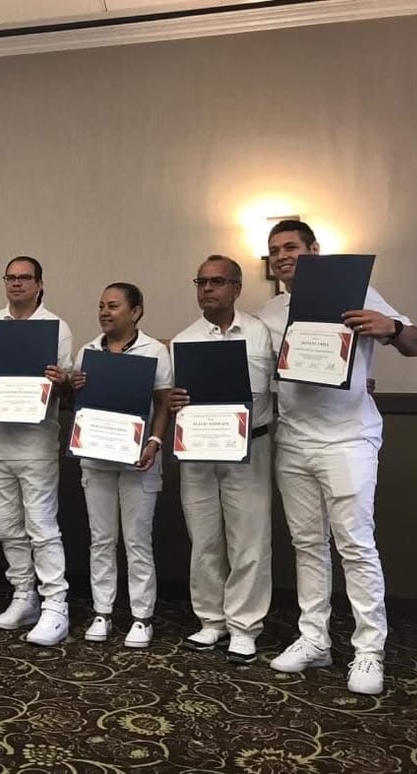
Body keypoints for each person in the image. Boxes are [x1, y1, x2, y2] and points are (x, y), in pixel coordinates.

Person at [257, 219, 417, 695]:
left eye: (291, 246)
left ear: (314, 250)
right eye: (274, 249)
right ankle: (315, 639)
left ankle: (369, 651)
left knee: (355, 544)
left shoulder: (360, 292)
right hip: (293, 440)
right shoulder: (269, 312)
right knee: (307, 544)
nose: (282, 255)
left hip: (348, 439)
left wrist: (392, 328)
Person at [169, 256, 274, 662]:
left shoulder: (261, 334)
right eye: (201, 282)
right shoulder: (184, 340)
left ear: (236, 288)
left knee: (249, 540)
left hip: (249, 448)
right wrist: (174, 400)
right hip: (198, 450)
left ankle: (244, 626)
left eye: (217, 282)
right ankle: (211, 621)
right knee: (205, 538)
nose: (208, 289)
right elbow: (173, 397)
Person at [0, 256, 73, 647]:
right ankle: (23, 595)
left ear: (39, 284)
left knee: (41, 525)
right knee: (7, 527)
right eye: (10, 278)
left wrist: (61, 381)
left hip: (36, 440)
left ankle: (55, 604)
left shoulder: (56, 326)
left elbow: (67, 384)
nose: (16, 284)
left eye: (24, 278)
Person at [70, 282, 172, 648]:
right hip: (96, 458)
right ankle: (103, 611)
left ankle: (142, 617)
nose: (104, 312)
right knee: (101, 539)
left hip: (138, 458)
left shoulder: (155, 350)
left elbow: (163, 402)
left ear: (136, 311)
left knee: (137, 541)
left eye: (113, 306)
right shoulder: (87, 351)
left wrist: (155, 442)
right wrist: (73, 384)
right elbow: (76, 401)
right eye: (100, 306)